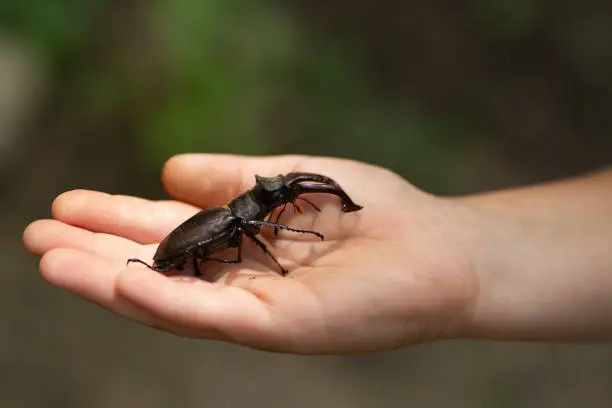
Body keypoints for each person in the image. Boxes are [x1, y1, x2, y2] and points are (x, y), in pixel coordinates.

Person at [22, 154, 612, 354]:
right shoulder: (239, 225)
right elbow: (253, 233)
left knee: (222, 242)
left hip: (203, 233)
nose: (284, 197)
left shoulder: (244, 216)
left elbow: (259, 217)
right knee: (202, 253)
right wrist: (278, 261)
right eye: (278, 196)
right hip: (186, 245)